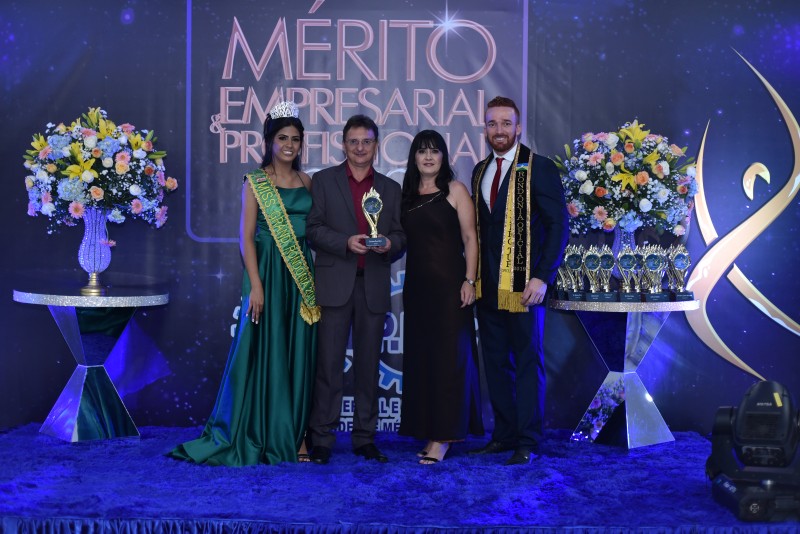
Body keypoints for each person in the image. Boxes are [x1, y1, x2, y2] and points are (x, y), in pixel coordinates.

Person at [170, 101, 319, 466]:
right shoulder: (255, 182)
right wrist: (256, 285)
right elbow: (246, 237)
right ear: (269, 141)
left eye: (295, 139)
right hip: (265, 272)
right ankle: (261, 431)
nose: (289, 145)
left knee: (298, 351)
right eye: (282, 138)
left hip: (299, 275)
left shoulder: (307, 182)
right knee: (265, 349)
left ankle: (296, 434)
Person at [468, 96, 569, 465]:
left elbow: (558, 225)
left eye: (506, 123)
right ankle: (504, 434)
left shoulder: (539, 168)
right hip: (488, 286)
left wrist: (542, 276)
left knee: (527, 362)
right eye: (492, 124)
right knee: (495, 363)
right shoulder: (479, 171)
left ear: (519, 127)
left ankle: (527, 440)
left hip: (525, 286)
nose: (499, 130)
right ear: (485, 128)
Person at [306, 114, 406, 465]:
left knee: (368, 367)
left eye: (366, 141)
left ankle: (365, 438)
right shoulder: (324, 181)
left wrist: (390, 245)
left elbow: (401, 235)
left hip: (373, 287)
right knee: (328, 366)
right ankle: (322, 438)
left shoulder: (391, 188)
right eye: (353, 141)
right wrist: (345, 242)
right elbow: (313, 229)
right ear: (343, 144)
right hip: (334, 286)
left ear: (376, 145)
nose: (360, 148)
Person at [398, 130, 484, 464]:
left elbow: (470, 238)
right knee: (424, 362)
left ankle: (444, 437)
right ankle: (429, 429)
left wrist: (470, 280)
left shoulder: (455, 190)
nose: (428, 157)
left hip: (451, 289)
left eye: (435, 151)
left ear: (444, 156)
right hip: (417, 290)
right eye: (422, 151)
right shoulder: (407, 195)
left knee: (450, 362)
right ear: (414, 158)